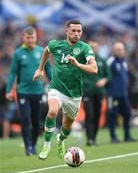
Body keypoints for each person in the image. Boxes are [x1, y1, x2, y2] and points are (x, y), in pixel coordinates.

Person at [33, 19, 98, 160]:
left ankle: (61, 140)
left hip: (74, 94)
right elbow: (47, 50)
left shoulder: (85, 48)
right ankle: (46, 145)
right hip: (56, 88)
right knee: (52, 112)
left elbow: (94, 68)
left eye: (79, 31)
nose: (76, 33)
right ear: (66, 31)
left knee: (67, 126)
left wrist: (77, 64)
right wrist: (40, 68)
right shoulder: (56, 45)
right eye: (73, 31)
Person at [6, 26, 52, 155]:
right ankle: (28, 147)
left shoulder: (42, 51)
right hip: (23, 92)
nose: (30, 40)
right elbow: (12, 73)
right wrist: (9, 90)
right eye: (28, 37)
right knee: (25, 119)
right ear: (23, 38)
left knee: (36, 121)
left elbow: (48, 69)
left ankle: (33, 144)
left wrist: (55, 83)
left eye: (32, 37)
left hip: (38, 91)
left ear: (36, 38)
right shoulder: (18, 53)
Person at [83, 41, 112, 146]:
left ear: (97, 48)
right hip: (87, 92)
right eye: (91, 47)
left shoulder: (102, 60)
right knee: (89, 114)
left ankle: (93, 138)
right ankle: (89, 138)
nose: (93, 49)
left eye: (95, 47)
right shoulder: (82, 60)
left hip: (99, 92)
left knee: (97, 115)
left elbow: (108, 75)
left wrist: (104, 80)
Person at [106, 42, 135, 143]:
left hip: (123, 94)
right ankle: (113, 137)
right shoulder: (110, 61)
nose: (120, 51)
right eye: (117, 49)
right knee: (112, 115)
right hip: (112, 95)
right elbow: (105, 76)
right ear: (113, 50)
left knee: (127, 114)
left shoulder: (124, 62)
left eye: (121, 49)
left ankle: (127, 135)